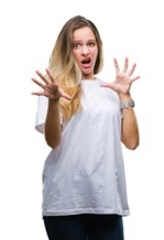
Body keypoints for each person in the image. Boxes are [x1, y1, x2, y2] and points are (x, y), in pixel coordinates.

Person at [30, 15, 140, 240]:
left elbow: (131, 142)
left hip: (106, 202)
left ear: (98, 47)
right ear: (66, 50)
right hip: (65, 202)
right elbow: (53, 141)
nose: (85, 51)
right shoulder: (56, 90)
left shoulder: (111, 90)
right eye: (76, 45)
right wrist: (52, 102)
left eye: (91, 43)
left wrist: (125, 95)